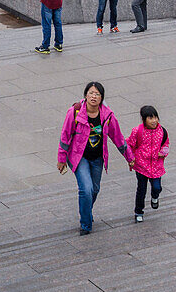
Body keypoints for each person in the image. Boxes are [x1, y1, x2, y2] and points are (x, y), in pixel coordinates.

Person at [57, 82, 134, 235]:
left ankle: (86, 210)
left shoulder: (107, 116)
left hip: (98, 158)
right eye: (91, 93)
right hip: (80, 158)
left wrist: (129, 157)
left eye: (97, 94)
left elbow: (118, 137)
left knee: (95, 189)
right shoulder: (75, 112)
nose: (94, 96)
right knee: (86, 189)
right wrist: (61, 158)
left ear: (101, 98)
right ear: (85, 95)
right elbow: (65, 135)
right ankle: (85, 223)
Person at [127, 105, 169, 223]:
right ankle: (138, 212)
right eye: (150, 118)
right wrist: (131, 158)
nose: (154, 120)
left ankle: (155, 197)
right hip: (141, 166)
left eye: (155, 117)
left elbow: (166, 144)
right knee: (141, 189)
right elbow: (129, 144)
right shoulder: (137, 131)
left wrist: (164, 152)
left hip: (156, 166)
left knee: (157, 187)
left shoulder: (162, 131)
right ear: (144, 119)